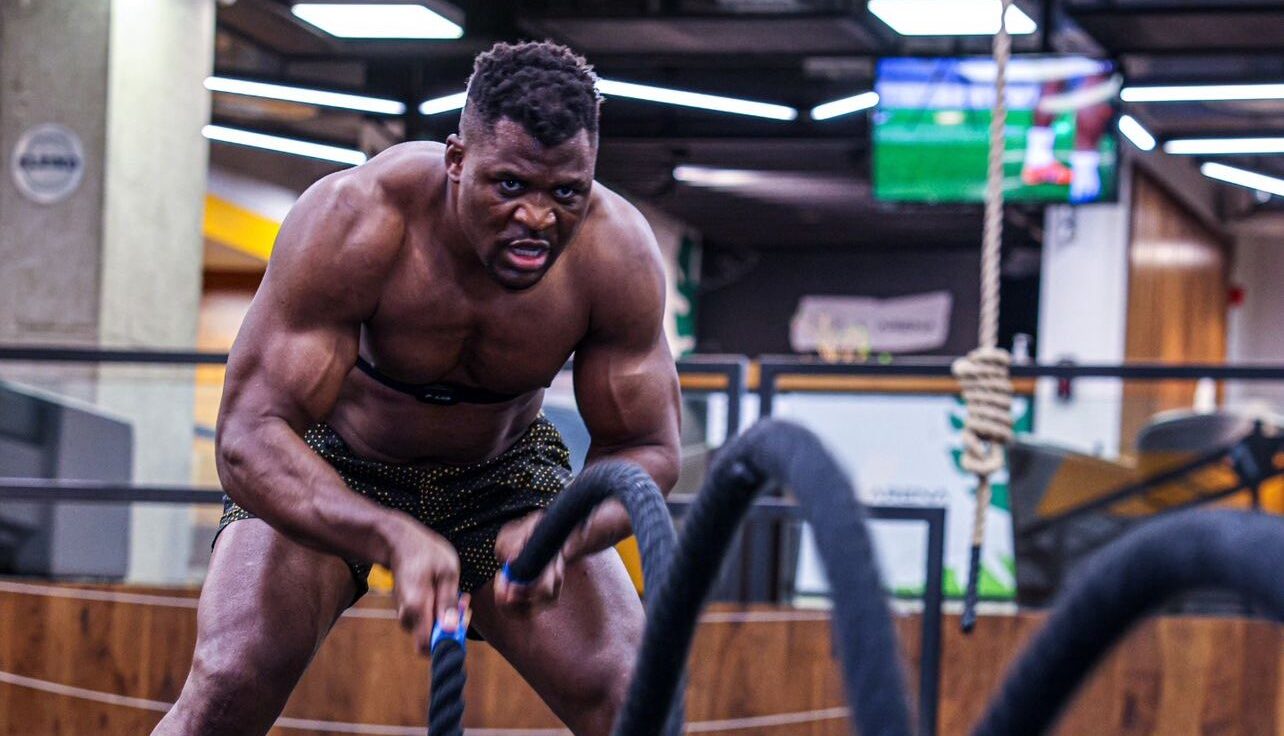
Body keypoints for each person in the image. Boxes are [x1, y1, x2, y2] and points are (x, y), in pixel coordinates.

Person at [154, 40, 681, 736]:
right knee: (229, 682)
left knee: (633, 702)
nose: (538, 218)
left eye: (566, 193)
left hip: (506, 474)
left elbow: (649, 447)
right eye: (510, 185)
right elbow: (249, 439)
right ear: (457, 160)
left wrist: (567, 534)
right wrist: (387, 534)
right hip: (336, 458)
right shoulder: (355, 219)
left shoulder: (616, 255)